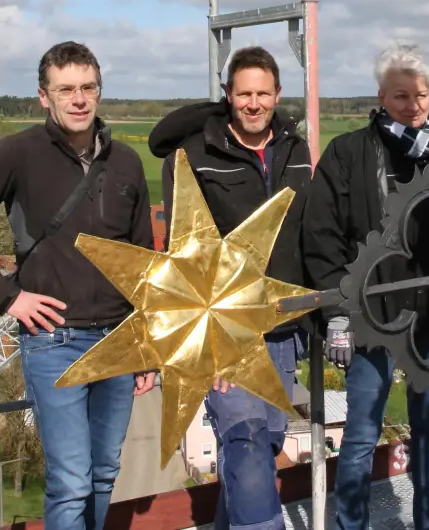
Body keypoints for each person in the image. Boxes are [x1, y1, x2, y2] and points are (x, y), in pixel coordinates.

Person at [0, 41, 156, 530]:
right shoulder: (19, 155)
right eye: (66, 89)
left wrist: (147, 348)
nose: (79, 99)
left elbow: (144, 264)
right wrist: (8, 297)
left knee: (103, 474)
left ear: (99, 92)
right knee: (71, 480)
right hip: (55, 339)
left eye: (88, 88)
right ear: (43, 97)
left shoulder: (127, 163)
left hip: (119, 339)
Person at [300, 42, 429, 530]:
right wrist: (336, 311)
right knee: (362, 435)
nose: (413, 105)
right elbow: (322, 236)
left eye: (420, 94)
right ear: (381, 96)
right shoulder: (350, 153)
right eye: (401, 95)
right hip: (372, 313)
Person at [146, 45, 314, 530]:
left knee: (269, 441)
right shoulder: (194, 155)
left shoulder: (294, 149)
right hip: (221, 331)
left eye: (263, 93)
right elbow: (186, 256)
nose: (254, 103)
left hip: (280, 326)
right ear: (228, 97)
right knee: (246, 440)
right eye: (244, 94)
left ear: (278, 95)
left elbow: (308, 232)